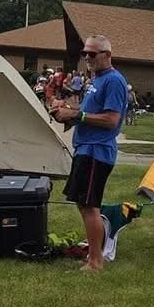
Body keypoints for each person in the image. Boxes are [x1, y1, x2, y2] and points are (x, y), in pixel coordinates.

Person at [49, 34, 129, 272]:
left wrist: (77, 115)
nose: (87, 58)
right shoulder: (97, 80)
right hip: (86, 149)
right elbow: (88, 114)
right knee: (84, 205)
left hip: (97, 152)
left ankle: (96, 262)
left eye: (92, 54)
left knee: (90, 205)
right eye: (85, 53)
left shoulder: (114, 81)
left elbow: (111, 120)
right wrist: (67, 111)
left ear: (107, 55)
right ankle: (94, 255)